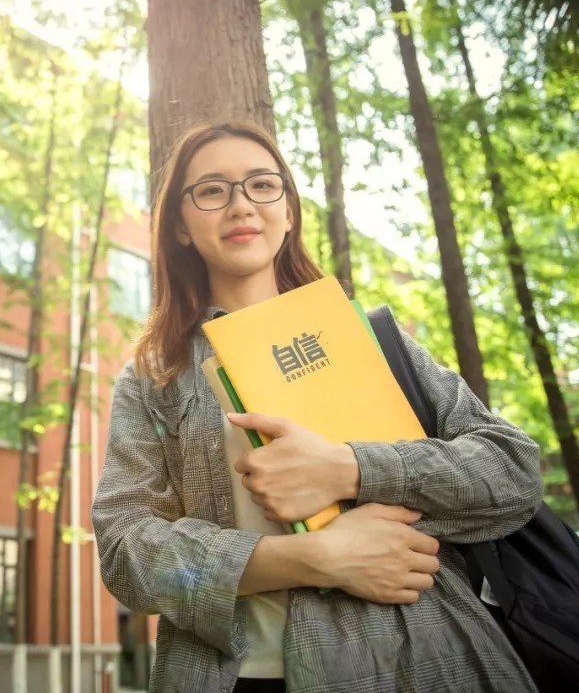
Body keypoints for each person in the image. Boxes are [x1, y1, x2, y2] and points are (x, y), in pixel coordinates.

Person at [91, 121, 544, 693]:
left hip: (421, 661)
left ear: (288, 211)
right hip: (225, 676)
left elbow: (514, 470)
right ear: (180, 225)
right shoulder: (155, 376)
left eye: (262, 185)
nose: (240, 206)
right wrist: (314, 557)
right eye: (211, 190)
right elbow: (126, 547)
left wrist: (348, 467)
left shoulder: (372, 339)